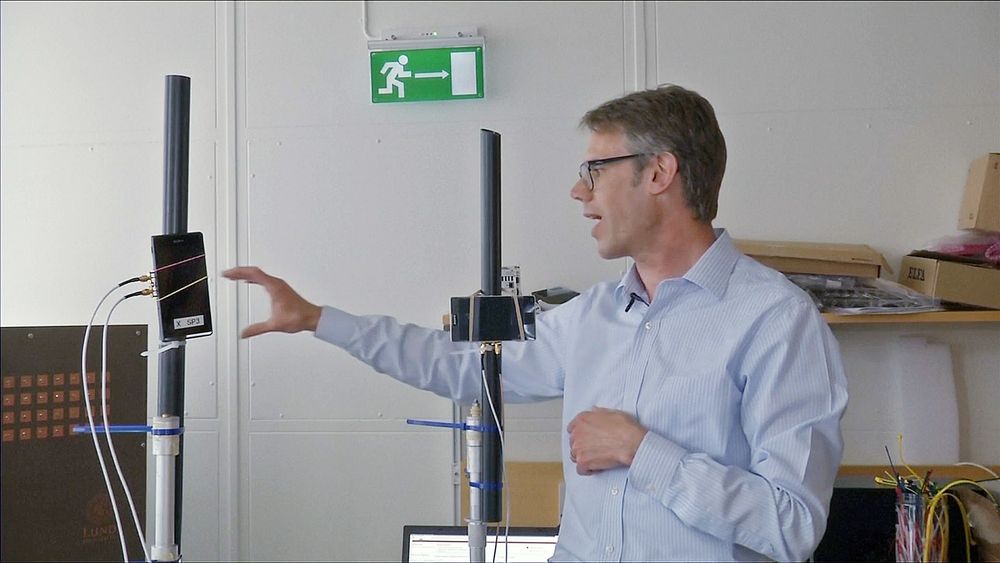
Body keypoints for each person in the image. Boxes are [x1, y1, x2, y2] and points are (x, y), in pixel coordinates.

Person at [223, 84, 848, 562]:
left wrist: (640, 451)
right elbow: (465, 366)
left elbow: (790, 526)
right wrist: (319, 320)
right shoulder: (594, 316)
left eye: (595, 171)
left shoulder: (775, 322)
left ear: (660, 173)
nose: (579, 193)